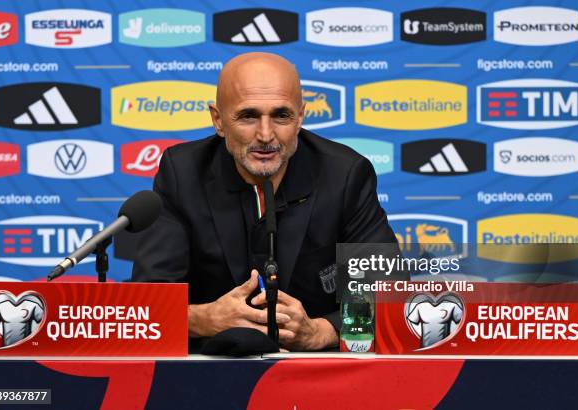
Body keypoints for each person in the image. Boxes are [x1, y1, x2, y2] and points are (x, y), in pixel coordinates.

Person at [131, 52, 398, 351]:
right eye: (248, 116)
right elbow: (148, 305)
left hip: (315, 372)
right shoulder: (182, 173)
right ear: (218, 120)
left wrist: (321, 331)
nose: (266, 135)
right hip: (210, 371)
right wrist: (204, 318)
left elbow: (386, 298)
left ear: (300, 118)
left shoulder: (345, 174)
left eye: (281, 115)